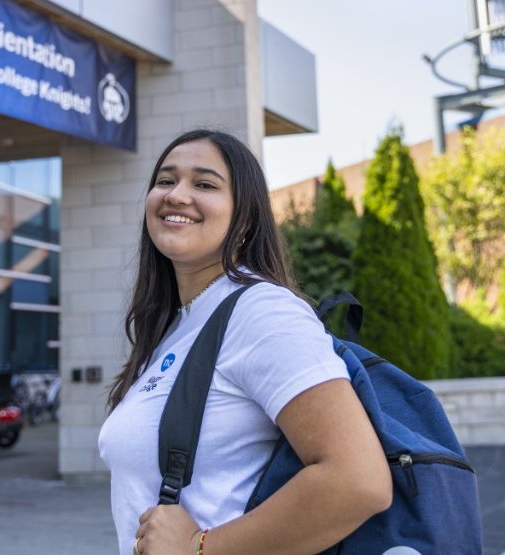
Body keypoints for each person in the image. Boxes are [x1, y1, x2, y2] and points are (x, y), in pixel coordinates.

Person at [98, 130, 392, 555]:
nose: (177, 194)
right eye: (165, 181)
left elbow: (358, 480)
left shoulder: (262, 311)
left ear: (247, 219)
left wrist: (201, 547)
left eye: (204, 184)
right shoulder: (178, 327)